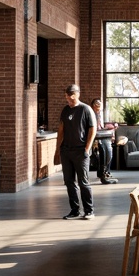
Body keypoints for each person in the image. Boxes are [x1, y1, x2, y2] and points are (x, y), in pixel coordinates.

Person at [58, 84, 97, 219]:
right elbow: (61, 130)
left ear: (77, 94)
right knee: (69, 182)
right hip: (66, 151)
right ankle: (75, 210)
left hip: (81, 152)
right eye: (67, 97)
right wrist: (59, 150)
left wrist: (87, 148)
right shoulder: (65, 110)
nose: (69, 99)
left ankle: (89, 210)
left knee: (83, 182)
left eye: (71, 97)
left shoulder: (86, 109)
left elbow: (93, 130)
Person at [91, 98, 117, 184]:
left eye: (100, 105)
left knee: (108, 152)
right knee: (102, 153)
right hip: (95, 137)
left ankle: (105, 172)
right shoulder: (91, 114)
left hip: (103, 135)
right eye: (98, 105)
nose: (100, 107)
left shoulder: (101, 114)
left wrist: (111, 127)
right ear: (94, 106)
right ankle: (103, 174)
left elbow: (102, 126)